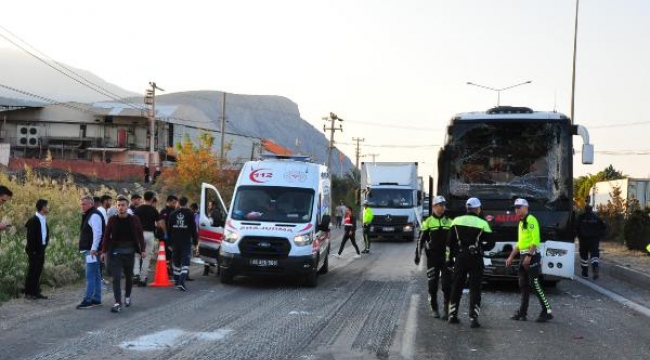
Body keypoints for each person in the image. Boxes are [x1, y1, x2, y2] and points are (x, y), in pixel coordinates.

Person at [447, 197, 493, 328]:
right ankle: (474, 319)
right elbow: (491, 242)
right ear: (478, 209)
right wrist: (481, 248)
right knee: (475, 288)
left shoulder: (456, 221)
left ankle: (452, 315)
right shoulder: (483, 223)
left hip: (460, 257)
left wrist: (450, 259)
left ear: (467, 208)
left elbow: (449, 243)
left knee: (457, 286)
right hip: (475, 258)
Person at [506, 198, 554, 323]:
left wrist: (529, 255)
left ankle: (547, 311)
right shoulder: (522, 222)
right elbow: (520, 243)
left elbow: (535, 240)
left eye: (519, 207)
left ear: (526, 207)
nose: (516, 209)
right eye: (515, 207)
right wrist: (511, 256)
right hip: (523, 256)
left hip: (531, 256)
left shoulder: (531, 219)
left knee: (535, 284)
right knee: (523, 285)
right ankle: (522, 313)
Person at [101, 196, 145, 313]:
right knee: (116, 278)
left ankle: (127, 296)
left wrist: (143, 250)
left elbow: (140, 235)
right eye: (119, 205)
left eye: (123, 205)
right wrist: (104, 251)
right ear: (116, 206)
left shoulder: (134, 219)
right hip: (115, 252)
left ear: (127, 206)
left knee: (129, 277)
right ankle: (117, 303)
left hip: (130, 251)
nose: (121, 207)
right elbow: (106, 236)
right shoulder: (112, 220)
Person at [415, 196, 452, 319]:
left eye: (444, 205)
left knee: (447, 285)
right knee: (433, 286)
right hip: (433, 258)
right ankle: (434, 308)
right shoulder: (428, 222)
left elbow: (455, 240)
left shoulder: (450, 222)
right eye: (440, 205)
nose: (443, 207)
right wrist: (418, 255)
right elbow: (421, 240)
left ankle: (446, 309)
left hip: (446, 259)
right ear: (434, 206)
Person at [77, 196, 105, 309]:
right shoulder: (91, 214)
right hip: (91, 249)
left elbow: (97, 233)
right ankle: (97, 298)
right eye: (81, 203)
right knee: (97, 275)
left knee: (90, 275)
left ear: (91, 204)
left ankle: (88, 300)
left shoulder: (94, 215)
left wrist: (94, 248)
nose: (82, 206)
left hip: (92, 251)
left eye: (84, 204)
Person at [167, 196, 198, 291]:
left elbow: (169, 230)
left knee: (176, 261)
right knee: (185, 262)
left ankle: (177, 281)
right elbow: (193, 229)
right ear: (187, 203)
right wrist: (196, 241)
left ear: (178, 203)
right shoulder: (190, 214)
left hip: (175, 241)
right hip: (186, 241)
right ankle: (181, 281)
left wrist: (169, 243)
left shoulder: (173, 214)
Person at [133, 190, 161, 287]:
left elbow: (133, 223)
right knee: (146, 257)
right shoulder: (154, 210)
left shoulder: (137, 209)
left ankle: (136, 273)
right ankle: (142, 279)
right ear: (152, 199)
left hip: (139, 234)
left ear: (143, 198)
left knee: (136, 255)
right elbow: (159, 224)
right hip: (150, 234)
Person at [24, 199, 50, 300]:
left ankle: (35, 292)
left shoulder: (43, 219)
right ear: (42, 207)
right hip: (34, 250)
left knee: (38, 271)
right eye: (47, 206)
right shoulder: (33, 220)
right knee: (32, 271)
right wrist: (33, 251)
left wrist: (44, 246)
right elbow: (30, 238)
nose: (48, 208)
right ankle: (28, 293)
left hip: (41, 249)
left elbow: (44, 234)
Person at [574, 204, 606, 279]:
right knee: (594, 255)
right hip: (594, 240)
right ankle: (595, 267)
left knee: (584, 256)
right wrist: (599, 235)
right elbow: (604, 226)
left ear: (585, 209)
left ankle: (585, 273)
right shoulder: (597, 217)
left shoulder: (581, 217)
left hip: (583, 240)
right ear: (591, 209)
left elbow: (576, 227)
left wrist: (578, 235)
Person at [160, 195, 179, 275]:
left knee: (172, 253)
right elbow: (162, 222)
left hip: (174, 235)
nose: (175, 204)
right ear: (169, 201)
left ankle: (172, 269)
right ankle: (167, 270)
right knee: (167, 253)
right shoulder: (164, 211)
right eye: (174, 202)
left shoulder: (176, 211)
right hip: (166, 235)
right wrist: (165, 233)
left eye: (176, 203)